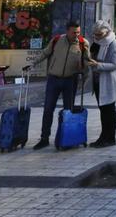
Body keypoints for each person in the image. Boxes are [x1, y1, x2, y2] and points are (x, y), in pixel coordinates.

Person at [28, 21, 88, 150]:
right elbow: (45, 53)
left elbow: (87, 62)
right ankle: (44, 138)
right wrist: (33, 63)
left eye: (78, 32)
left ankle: (65, 138)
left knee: (68, 111)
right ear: (67, 31)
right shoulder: (57, 40)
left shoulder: (83, 43)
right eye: (74, 32)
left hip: (70, 80)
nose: (76, 35)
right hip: (53, 79)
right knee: (48, 109)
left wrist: (84, 73)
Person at [86, 21, 116, 148]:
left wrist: (98, 65)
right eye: (95, 34)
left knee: (109, 110)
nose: (97, 36)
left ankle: (110, 137)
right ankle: (103, 136)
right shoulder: (96, 43)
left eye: (100, 34)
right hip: (98, 81)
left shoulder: (114, 45)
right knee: (103, 110)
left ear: (107, 32)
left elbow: (115, 65)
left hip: (108, 82)